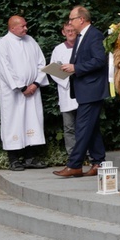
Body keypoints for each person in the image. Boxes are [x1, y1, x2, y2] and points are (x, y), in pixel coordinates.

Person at [53, 6, 108, 177]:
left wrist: (76, 67)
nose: (70, 22)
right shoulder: (81, 37)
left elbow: (100, 60)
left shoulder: (94, 35)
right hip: (85, 89)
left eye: (71, 19)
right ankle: (98, 162)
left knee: (82, 127)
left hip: (92, 89)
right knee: (91, 128)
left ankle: (74, 164)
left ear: (81, 19)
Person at [0, 16, 49, 171]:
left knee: (32, 120)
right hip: (13, 94)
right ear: (12, 28)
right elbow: (4, 69)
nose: (26, 28)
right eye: (23, 26)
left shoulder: (30, 41)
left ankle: (30, 157)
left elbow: (41, 63)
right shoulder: (3, 44)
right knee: (14, 122)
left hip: (32, 90)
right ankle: (14, 159)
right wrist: (22, 87)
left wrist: (36, 83)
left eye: (26, 26)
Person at [49, 22, 79, 156]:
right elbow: (53, 70)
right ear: (63, 32)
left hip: (81, 90)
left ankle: (89, 154)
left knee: (85, 126)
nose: (71, 33)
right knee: (69, 127)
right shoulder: (58, 49)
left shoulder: (82, 46)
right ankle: (73, 155)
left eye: (73, 30)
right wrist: (67, 81)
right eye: (68, 31)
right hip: (66, 92)